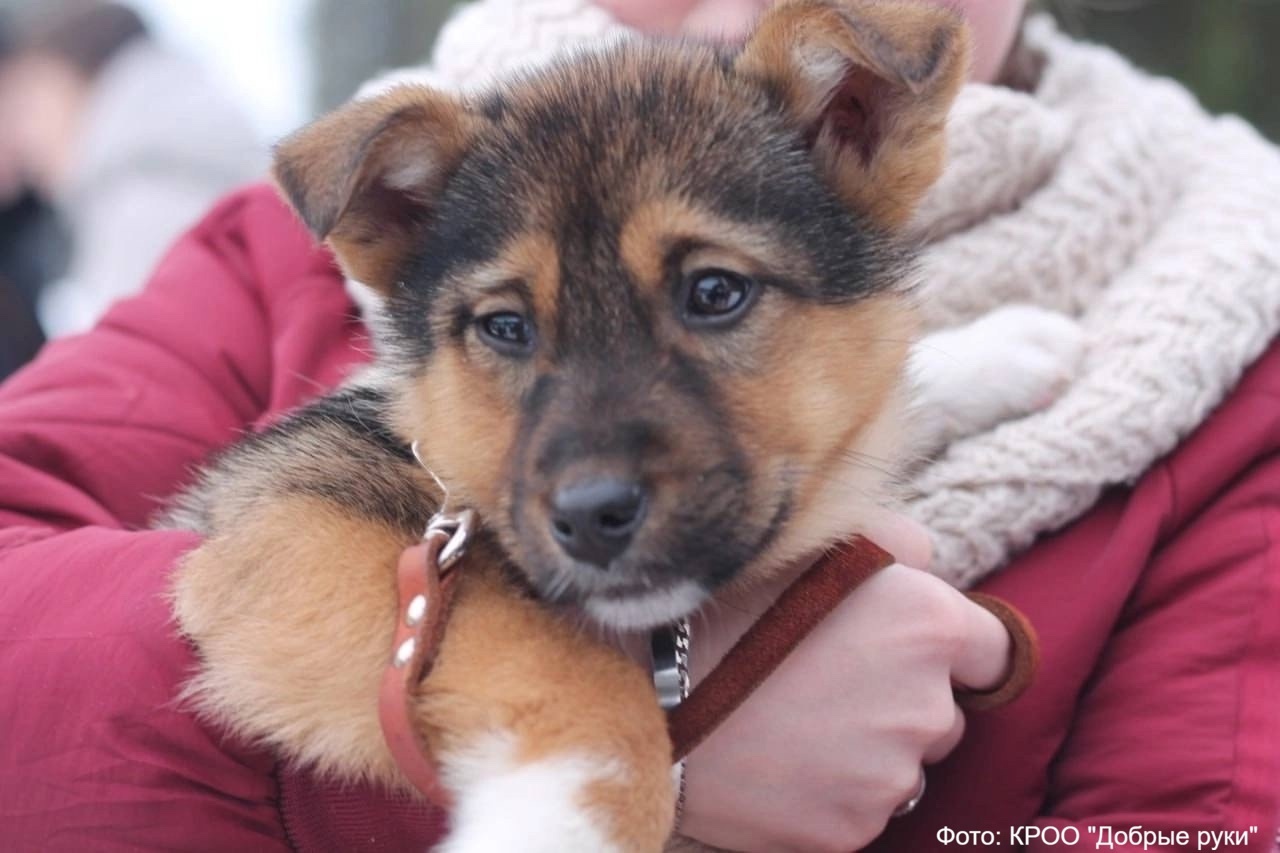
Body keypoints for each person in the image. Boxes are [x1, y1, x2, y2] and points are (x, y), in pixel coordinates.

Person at [1, 1, 1278, 851]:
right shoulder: (283, 257)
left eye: (712, 293)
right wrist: (651, 739)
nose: (596, 474)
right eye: (507, 329)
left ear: (868, 121)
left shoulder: (1225, 353)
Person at [0, 1, 266, 339]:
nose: (24, 139)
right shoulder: (185, 167)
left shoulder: (143, 205)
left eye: (29, 106)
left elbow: (152, 377)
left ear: (83, 80)